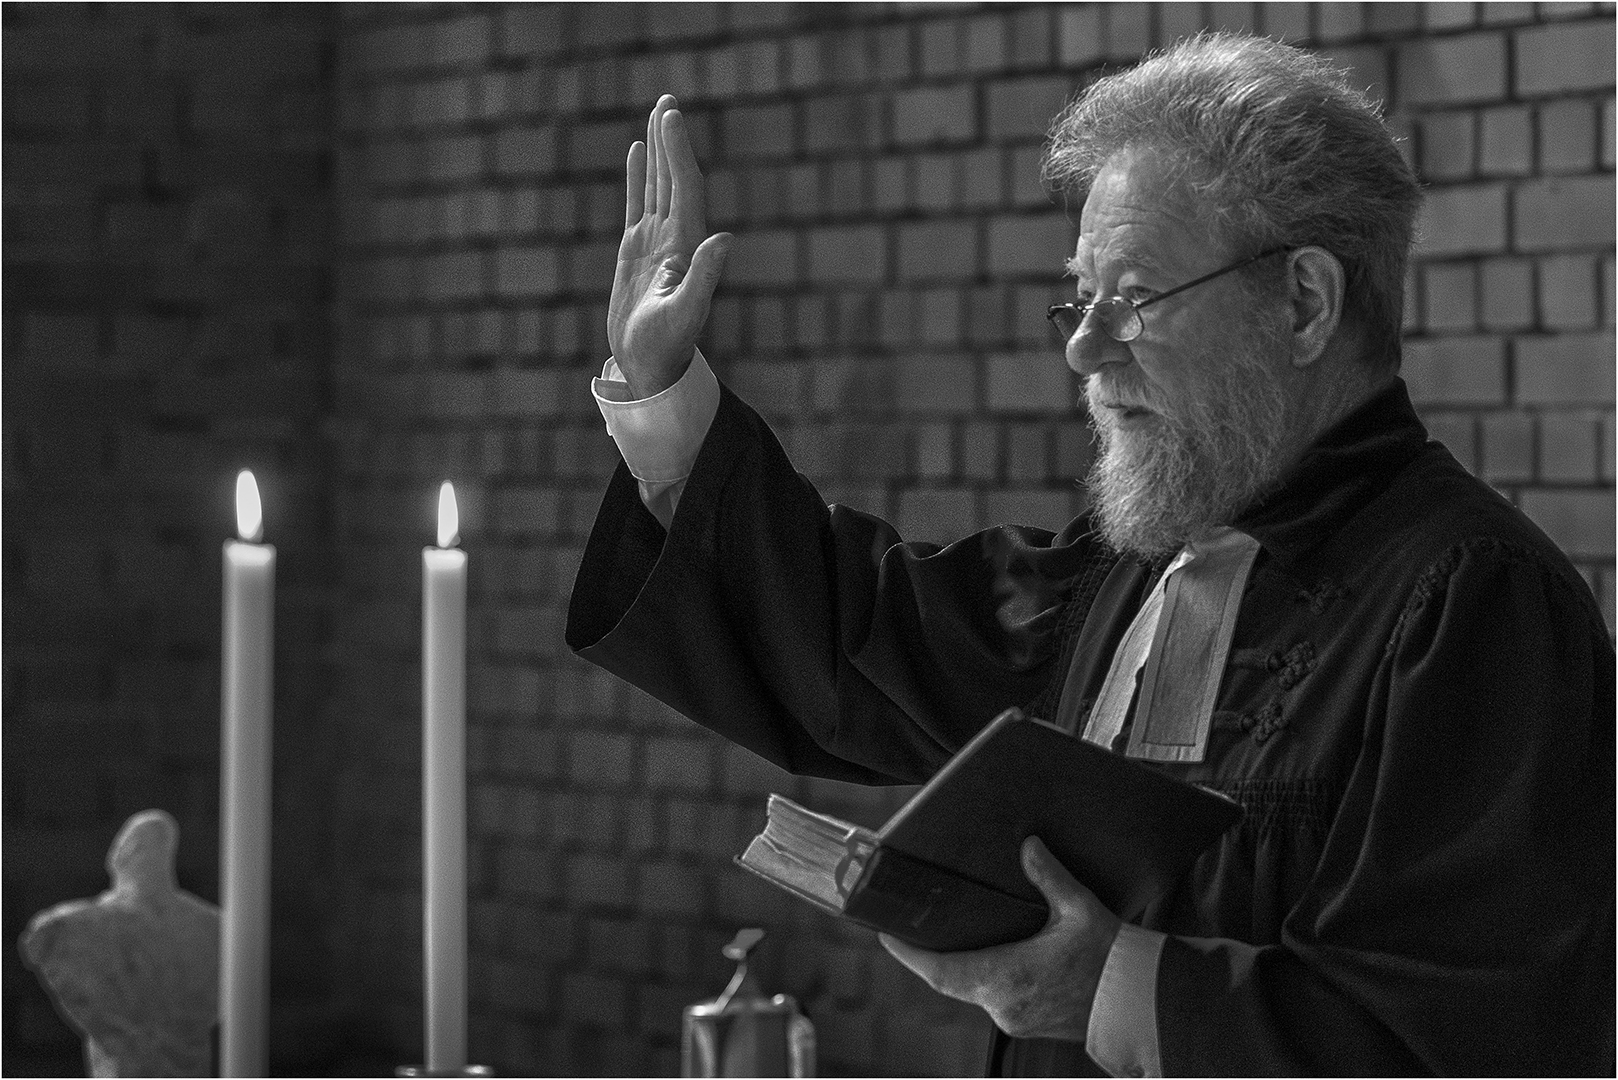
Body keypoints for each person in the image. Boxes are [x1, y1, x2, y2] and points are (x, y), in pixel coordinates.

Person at [566, 32, 1614, 1077]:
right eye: (1081, 297)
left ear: (1304, 302)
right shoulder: (1134, 573)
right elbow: (855, 636)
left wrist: (1114, 990)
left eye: (1135, 299)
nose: (1083, 347)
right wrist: (665, 399)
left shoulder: (1473, 605)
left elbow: (1481, 1043)